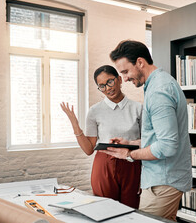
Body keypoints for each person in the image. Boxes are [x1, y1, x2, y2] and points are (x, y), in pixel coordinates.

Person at [103, 40, 192, 221]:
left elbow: (167, 146)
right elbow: (160, 138)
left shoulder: (159, 91)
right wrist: (131, 144)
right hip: (164, 179)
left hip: (163, 182)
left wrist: (129, 154)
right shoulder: (160, 83)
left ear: (140, 62)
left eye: (126, 72)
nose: (125, 79)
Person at [60, 65, 142, 209]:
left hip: (132, 164)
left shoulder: (138, 108)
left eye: (110, 82)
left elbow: (147, 141)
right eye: (102, 86)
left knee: (131, 211)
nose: (107, 88)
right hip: (104, 166)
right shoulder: (95, 111)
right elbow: (88, 149)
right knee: (104, 210)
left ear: (119, 80)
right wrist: (75, 124)